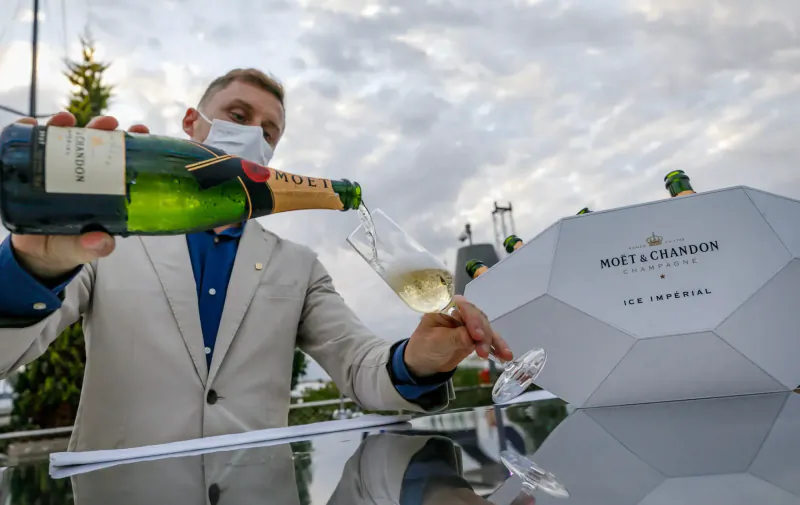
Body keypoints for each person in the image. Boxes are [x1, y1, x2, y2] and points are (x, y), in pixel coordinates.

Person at [0, 68, 513, 452]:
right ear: (191, 124)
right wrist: (33, 267)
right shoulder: (108, 239)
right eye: (238, 116)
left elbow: (360, 368)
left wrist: (418, 362)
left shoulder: (299, 266)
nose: (254, 134)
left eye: (269, 131)